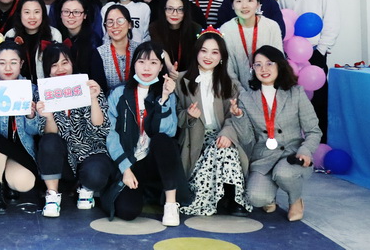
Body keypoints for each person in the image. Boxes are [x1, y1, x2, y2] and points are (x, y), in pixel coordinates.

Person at [231, 45, 321, 222]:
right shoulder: (246, 98)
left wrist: (305, 151)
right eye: (258, 65)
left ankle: (295, 200)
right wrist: (239, 117)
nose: (263, 69)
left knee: (283, 174)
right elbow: (247, 139)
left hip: (292, 156)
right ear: (252, 69)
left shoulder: (296, 93)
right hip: (264, 159)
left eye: (269, 63)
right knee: (256, 198)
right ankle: (269, 196)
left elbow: (313, 131)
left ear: (280, 65)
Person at [103, 41, 186, 226]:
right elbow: (110, 133)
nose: (147, 68)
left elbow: (169, 131)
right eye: (141, 62)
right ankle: (144, 193)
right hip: (130, 162)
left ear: (161, 67)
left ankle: (171, 204)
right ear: (134, 65)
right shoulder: (119, 94)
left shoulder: (167, 94)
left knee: (163, 141)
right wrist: (125, 169)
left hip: (154, 162)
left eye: (153, 63)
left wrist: (164, 99)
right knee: (127, 211)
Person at [176, 31, 250, 216]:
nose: (208, 56)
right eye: (204, 51)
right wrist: (188, 115)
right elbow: (173, 117)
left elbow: (234, 116)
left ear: (222, 56)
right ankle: (229, 197)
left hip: (221, 135)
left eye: (215, 52)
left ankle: (229, 196)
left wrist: (227, 133)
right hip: (194, 139)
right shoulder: (181, 80)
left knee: (224, 147)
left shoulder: (230, 84)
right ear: (196, 52)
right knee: (220, 149)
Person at [36, 44, 112, 218]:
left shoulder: (89, 86)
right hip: (64, 160)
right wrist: (49, 117)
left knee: (96, 175)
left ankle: (86, 188)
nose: (60, 69)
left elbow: (100, 129)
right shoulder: (43, 94)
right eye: (54, 65)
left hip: (92, 152)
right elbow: (49, 136)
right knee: (48, 141)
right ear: (47, 70)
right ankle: (52, 196)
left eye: (65, 62)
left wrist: (93, 99)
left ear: (72, 64)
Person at [279, 0, 340, 142]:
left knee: (318, 99)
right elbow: (282, 22)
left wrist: (321, 49)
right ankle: (295, 142)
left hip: (314, 51)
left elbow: (332, 19)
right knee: (292, 99)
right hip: (291, 54)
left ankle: (320, 143)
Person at [0, 41, 43, 213]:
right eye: (2, 62)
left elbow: (36, 131)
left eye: (13, 62)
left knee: (24, 183)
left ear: (21, 64)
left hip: (20, 149)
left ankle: (7, 181)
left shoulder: (32, 90)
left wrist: (31, 116)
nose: (7, 68)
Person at [220, 0, 283, 92]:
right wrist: (241, 93)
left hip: (271, 88)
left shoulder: (271, 26)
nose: (244, 6)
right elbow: (227, 68)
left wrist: (269, 90)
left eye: (250, 0)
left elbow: (279, 62)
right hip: (237, 91)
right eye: (239, 1)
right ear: (232, 6)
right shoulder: (226, 29)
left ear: (258, 4)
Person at [54, 0, 108, 95]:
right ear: (60, 14)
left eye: (76, 12)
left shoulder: (94, 41)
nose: (71, 16)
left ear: (85, 15)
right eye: (66, 12)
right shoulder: (55, 37)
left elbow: (99, 81)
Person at [4, 0, 61, 84]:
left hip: (47, 86)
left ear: (43, 13)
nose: (32, 17)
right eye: (27, 12)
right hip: (19, 87)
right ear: (20, 14)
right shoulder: (11, 35)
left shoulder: (54, 34)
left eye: (36, 12)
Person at [149, 0, 202, 74]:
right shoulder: (154, 28)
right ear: (163, 9)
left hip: (190, 75)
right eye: (170, 9)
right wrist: (169, 67)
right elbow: (159, 49)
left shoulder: (195, 29)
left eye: (180, 9)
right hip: (162, 74)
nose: (175, 14)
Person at [98, 4, 139, 91]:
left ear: (130, 24)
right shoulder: (99, 53)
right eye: (110, 22)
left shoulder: (140, 50)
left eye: (120, 21)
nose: (115, 26)